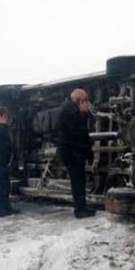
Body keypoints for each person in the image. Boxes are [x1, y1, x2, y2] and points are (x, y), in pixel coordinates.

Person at [58, 89, 95, 218]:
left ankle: (82, 207)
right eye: (85, 101)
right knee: (78, 182)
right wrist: (84, 114)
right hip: (73, 154)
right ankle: (80, 209)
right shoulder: (69, 113)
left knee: (79, 181)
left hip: (74, 153)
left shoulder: (70, 110)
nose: (87, 104)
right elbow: (78, 132)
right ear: (79, 101)